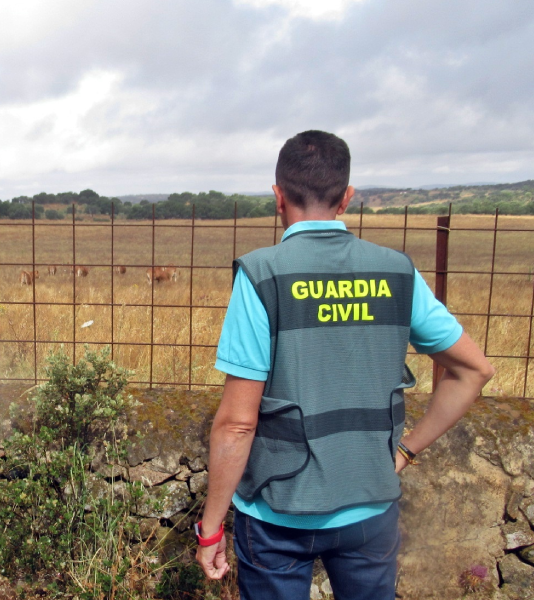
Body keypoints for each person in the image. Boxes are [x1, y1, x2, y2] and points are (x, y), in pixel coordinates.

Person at [195, 131, 494, 599]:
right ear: (346, 197)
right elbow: (474, 370)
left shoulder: (262, 275)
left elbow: (236, 424)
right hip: (370, 509)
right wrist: (406, 451)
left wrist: (211, 528)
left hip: (279, 513)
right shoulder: (396, 271)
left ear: (278, 196)